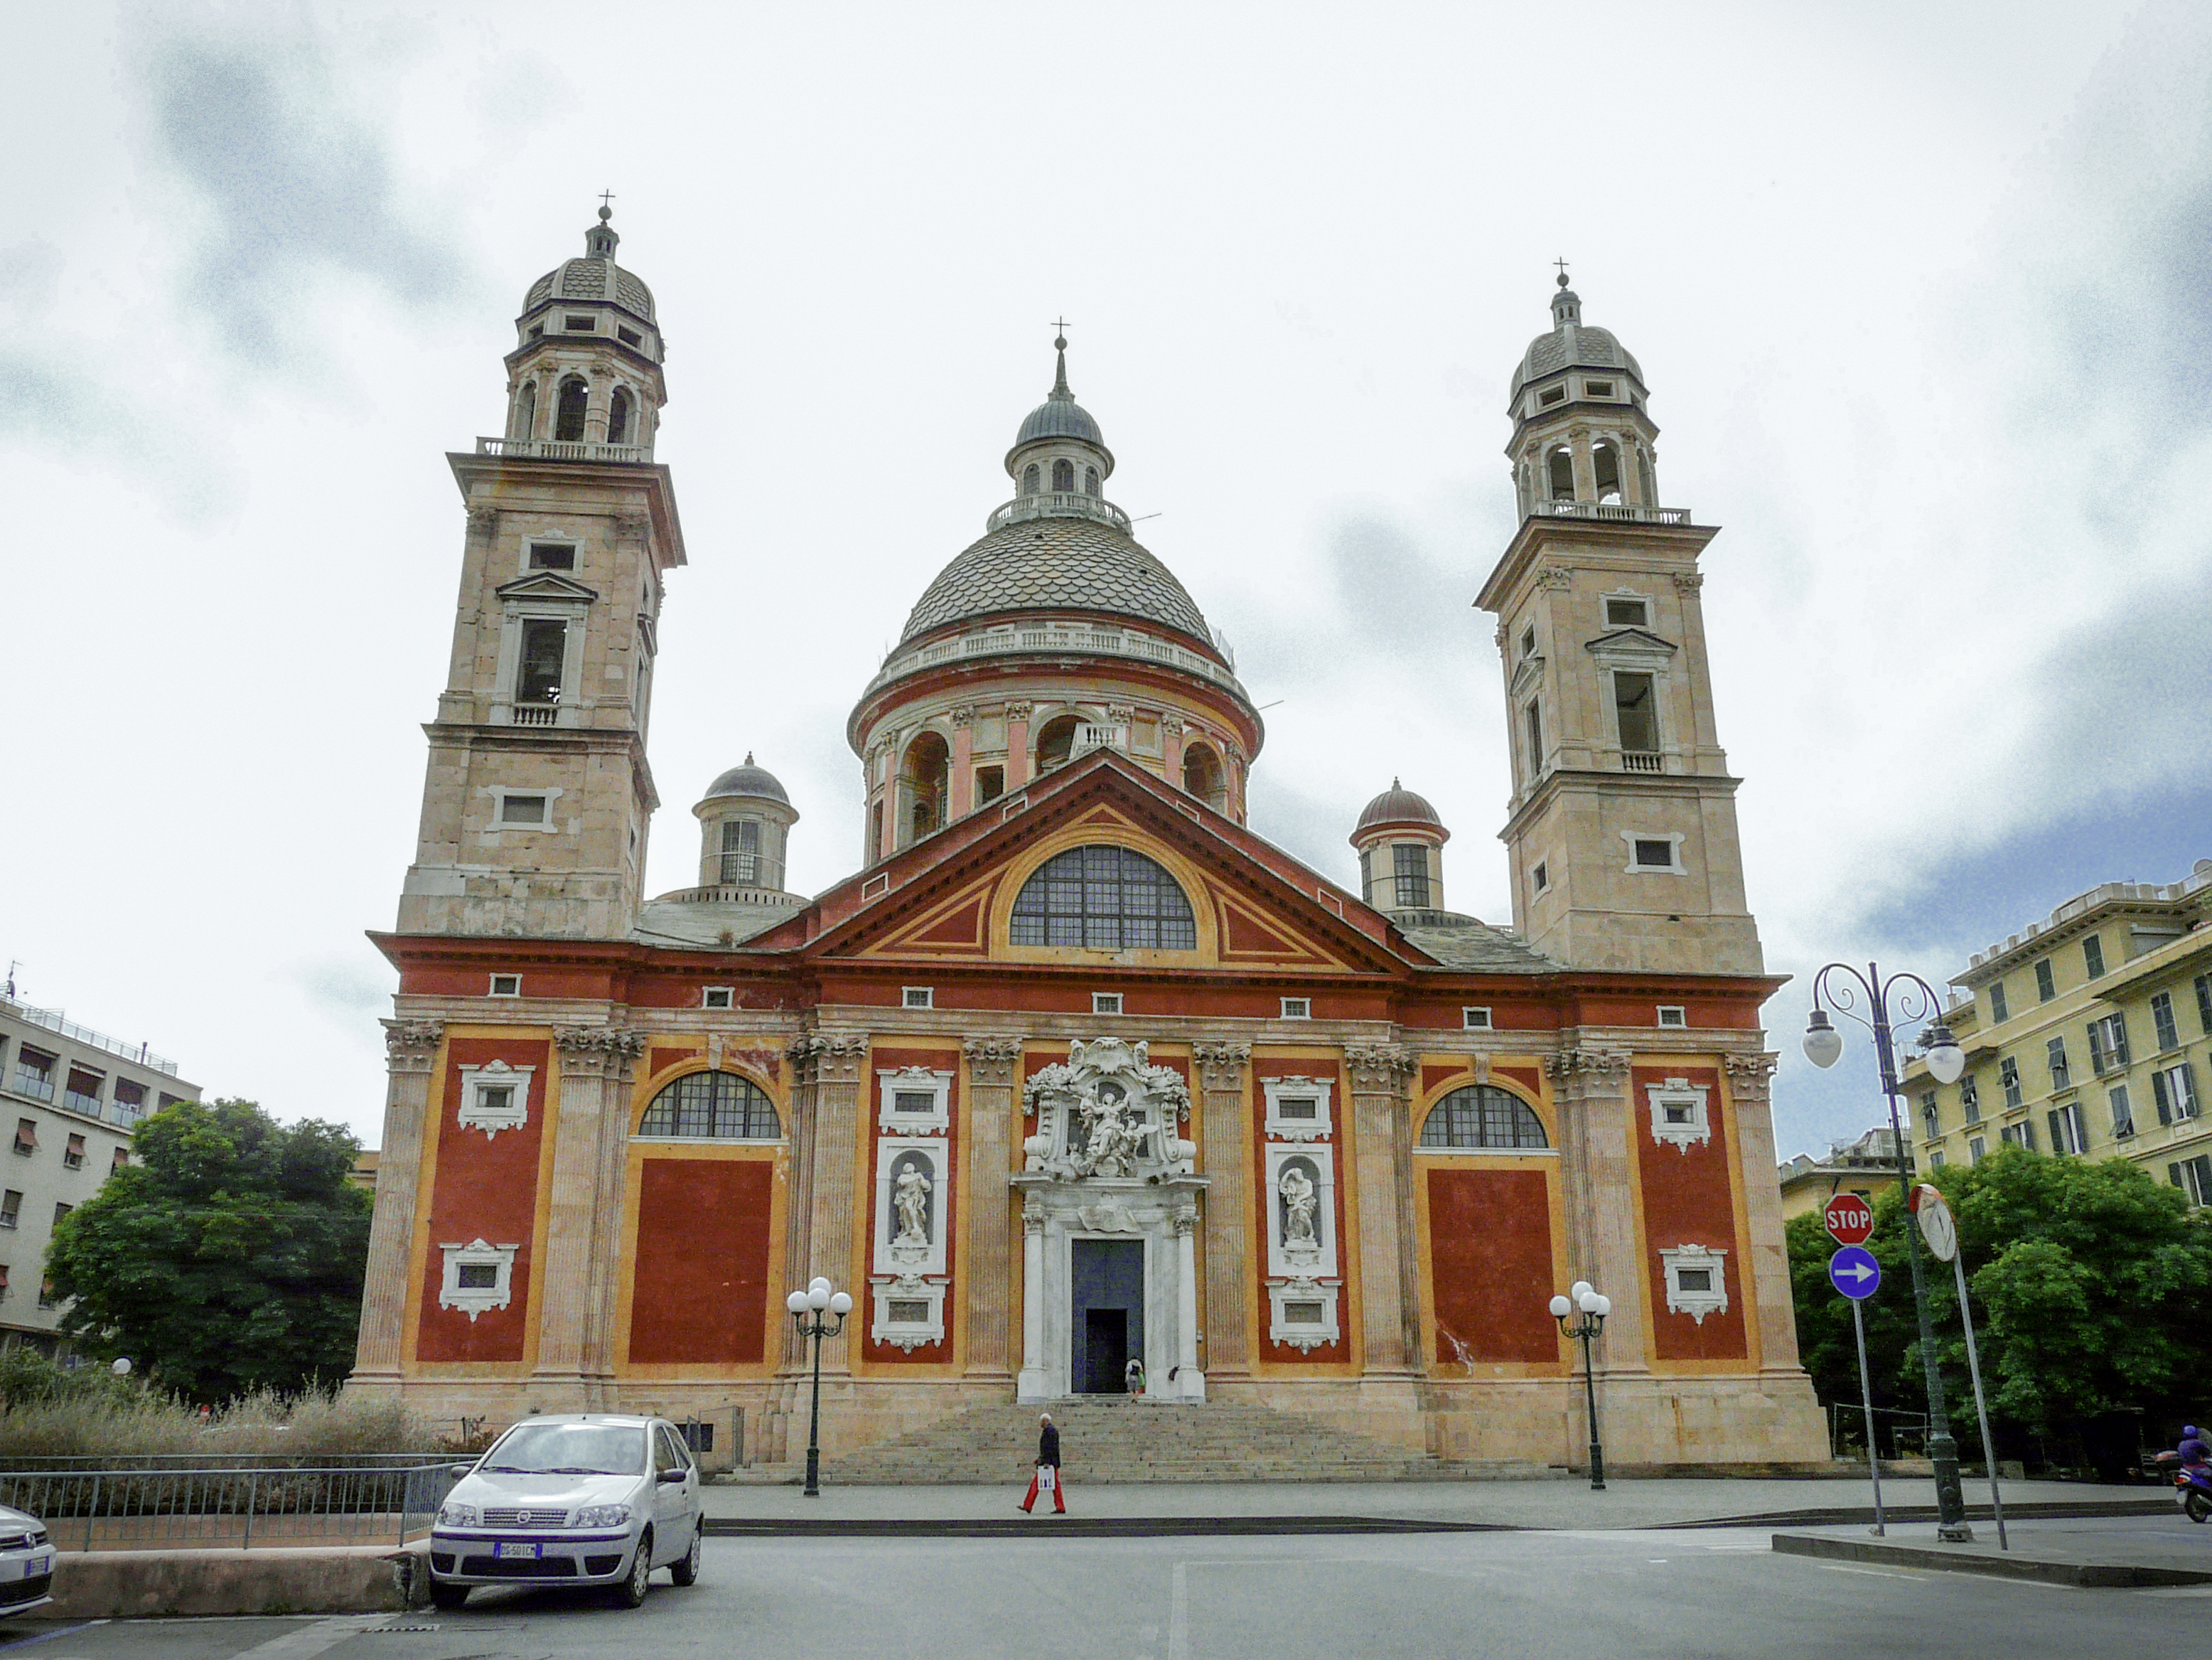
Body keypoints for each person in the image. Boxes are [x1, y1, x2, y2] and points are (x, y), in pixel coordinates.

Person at [1019, 1412, 1065, 1514]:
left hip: (1049, 1463)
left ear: (1044, 1421)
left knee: (1036, 1483)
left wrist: (1046, 1461)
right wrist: (1040, 1459)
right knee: (1055, 1484)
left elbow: (1049, 1448)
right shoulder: (1052, 1430)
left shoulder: (1049, 1431)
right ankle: (1060, 1506)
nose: (1040, 1424)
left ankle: (1028, 1505)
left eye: (1041, 1421)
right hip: (1052, 1462)